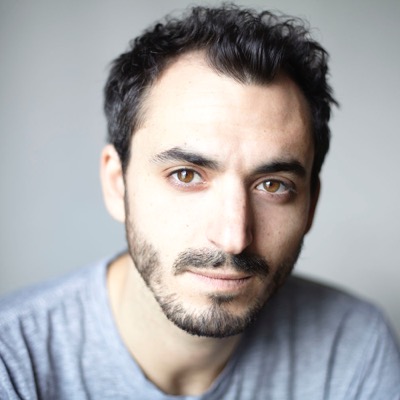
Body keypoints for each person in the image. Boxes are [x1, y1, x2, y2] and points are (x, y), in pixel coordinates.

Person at [0, 4, 399, 399]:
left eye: (272, 185)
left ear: (310, 205)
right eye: (186, 175)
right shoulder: (14, 359)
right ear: (116, 183)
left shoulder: (353, 347)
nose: (233, 238)